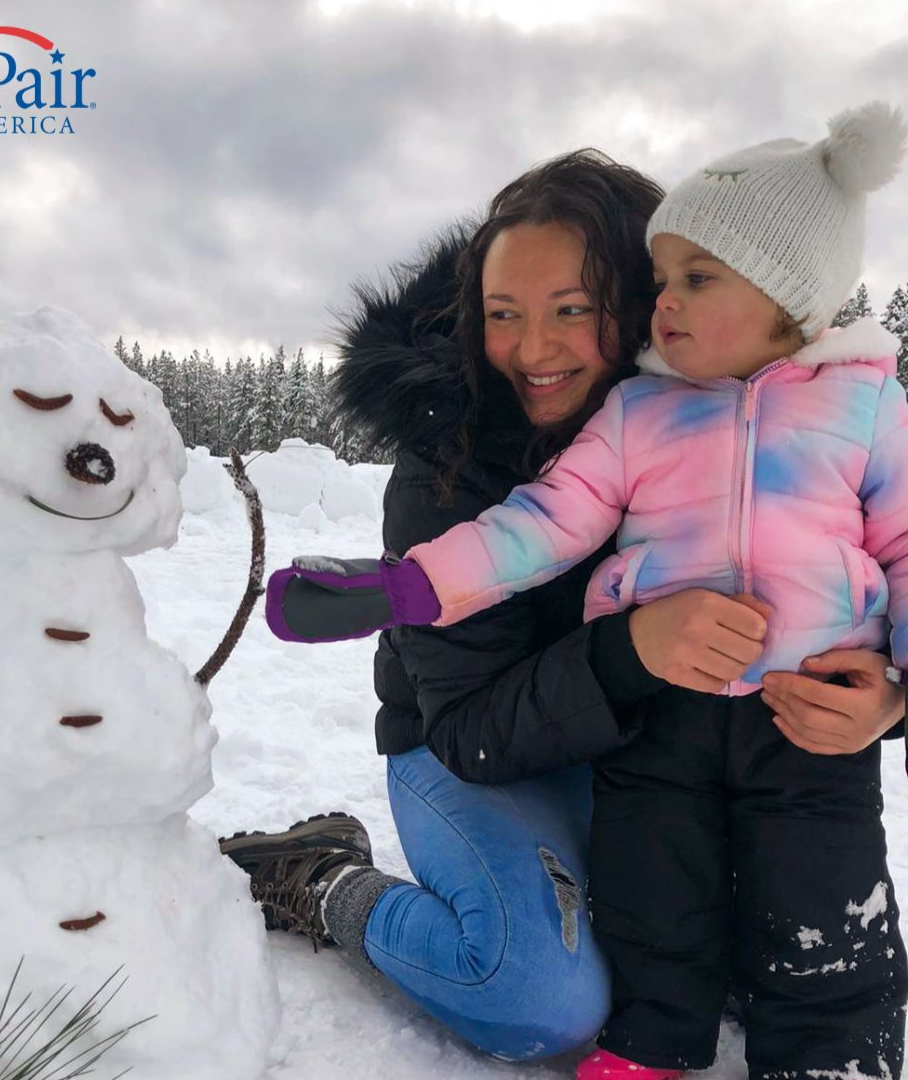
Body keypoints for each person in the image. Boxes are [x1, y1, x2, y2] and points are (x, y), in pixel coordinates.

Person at [264, 105, 908, 1078]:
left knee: (790, 917)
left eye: (575, 306)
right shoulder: (506, 447)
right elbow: (495, 659)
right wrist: (412, 592)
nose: (533, 347)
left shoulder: (842, 408)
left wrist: (892, 693)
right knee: (550, 988)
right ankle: (326, 883)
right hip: (480, 746)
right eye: (504, 311)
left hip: (689, 740)